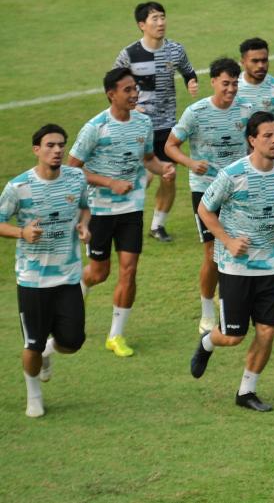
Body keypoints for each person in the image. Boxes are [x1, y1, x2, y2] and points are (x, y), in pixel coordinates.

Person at [190, 112, 274, 412]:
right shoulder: (232, 174)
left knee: (267, 331)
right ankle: (207, 342)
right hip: (235, 268)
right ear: (252, 140)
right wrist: (228, 241)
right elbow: (205, 209)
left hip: (270, 266)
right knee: (233, 336)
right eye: (267, 136)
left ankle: (246, 391)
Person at [69, 68, 176, 357]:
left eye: (135, 88)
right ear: (111, 94)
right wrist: (109, 183)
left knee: (129, 270)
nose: (134, 94)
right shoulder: (95, 128)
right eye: (127, 90)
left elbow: (149, 159)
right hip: (101, 210)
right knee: (100, 273)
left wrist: (163, 168)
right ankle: (81, 285)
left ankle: (116, 335)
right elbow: (72, 169)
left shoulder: (143, 123)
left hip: (132, 209)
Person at [0, 125, 90, 417]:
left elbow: (85, 207)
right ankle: (34, 395)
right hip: (33, 281)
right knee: (32, 343)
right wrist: (21, 233)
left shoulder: (76, 178)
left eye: (61, 145)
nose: (57, 150)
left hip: (68, 277)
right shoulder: (19, 187)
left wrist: (84, 225)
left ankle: (49, 353)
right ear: (36, 150)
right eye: (50, 145)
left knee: (73, 341)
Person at [164, 58, 253, 334]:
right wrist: (191, 164)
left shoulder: (247, 111)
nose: (230, 89)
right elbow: (170, 146)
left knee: (241, 246)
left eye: (235, 83)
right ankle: (207, 312)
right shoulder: (196, 112)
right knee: (213, 252)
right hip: (205, 190)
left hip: (238, 190)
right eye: (225, 83)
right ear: (213, 81)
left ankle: (234, 305)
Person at [114, 1, 198, 241]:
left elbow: (188, 71)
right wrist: (131, 105)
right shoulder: (129, 54)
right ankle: (112, 215)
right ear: (142, 25)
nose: (160, 23)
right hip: (138, 125)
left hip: (167, 125)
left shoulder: (175, 50)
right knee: (146, 176)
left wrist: (191, 82)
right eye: (154, 19)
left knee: (169, 175)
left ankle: (157, 226)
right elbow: (113, 84)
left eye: (162, 17)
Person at [237, 37, 274, 133]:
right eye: (255, 61)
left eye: (264, 60)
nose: (260, 65)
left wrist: (273, 133)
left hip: (265, 148)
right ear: (243, 62)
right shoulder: (232, 87)